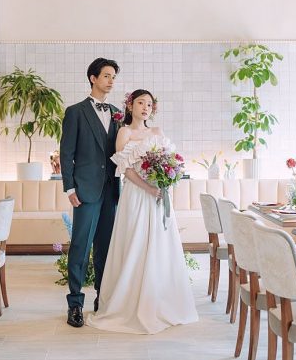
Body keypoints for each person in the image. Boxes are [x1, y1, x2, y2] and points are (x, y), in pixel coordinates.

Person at [86, 89, 198, 334]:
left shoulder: (157, 132)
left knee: (159, 245)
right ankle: (128, 304)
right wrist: (148, 188)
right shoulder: (124, 133)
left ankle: (159, 302)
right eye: (140, 103)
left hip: (158, 195)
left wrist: (165, 182)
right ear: (130, 106)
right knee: (134, 244)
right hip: (136, 196)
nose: (145, 107)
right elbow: (125, 170)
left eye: (149, 104)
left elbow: (170, 162)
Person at [60, 58, 121, 328]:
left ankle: (102, 299)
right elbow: (66, 153)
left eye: (113, 77)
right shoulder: (75, 112)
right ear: (93, 78)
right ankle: (75, 304)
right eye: (106, 75)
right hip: (85, 190)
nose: (111, 81)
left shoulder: (118, 113)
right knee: (81, 247)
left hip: (111, 191)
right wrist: (70, 187)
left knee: (105, 247)